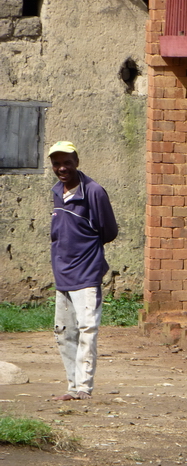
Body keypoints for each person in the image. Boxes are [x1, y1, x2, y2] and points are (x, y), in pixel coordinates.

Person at [48, 141, 118, 401]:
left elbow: (108, 231)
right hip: (62, 275)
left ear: (77, 161)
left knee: (87, 329)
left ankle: (83, 388)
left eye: (67, 162)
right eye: (57, 163)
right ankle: (71, 386)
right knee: (64, 333)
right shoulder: (57, 191)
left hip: (87, 273)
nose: (62, 168)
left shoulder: (94, 192)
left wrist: (87, 251)